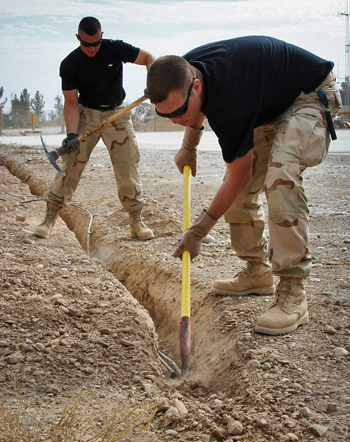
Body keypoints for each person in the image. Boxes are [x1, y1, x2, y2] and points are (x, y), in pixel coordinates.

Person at [146, 36, 341, 335]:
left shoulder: (230, 100)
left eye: (178, 112)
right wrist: (190, 144)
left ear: (195, 87)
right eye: (164, 114)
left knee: (279, 174)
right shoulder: (182, 70)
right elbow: (196, 110)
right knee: (236, 194)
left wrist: (198, 231)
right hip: (269, 104)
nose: (174, 120)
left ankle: (293, 292)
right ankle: (257, 272)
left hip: (309, 95)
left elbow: (242, 174)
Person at [34, 16, 155, 241]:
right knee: (70, 166)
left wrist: (153, 81)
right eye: (86, 44)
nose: (91, 48)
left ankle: (136, 222)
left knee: (128, 166)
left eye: (95, 43)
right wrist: (71, 134)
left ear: (101, 36)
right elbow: (70, 103)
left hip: (117, 115)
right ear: (78, 38)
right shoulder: (70, 63)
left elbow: (149, 58)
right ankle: (49, 219)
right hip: (86, 115)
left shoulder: (115, 48)